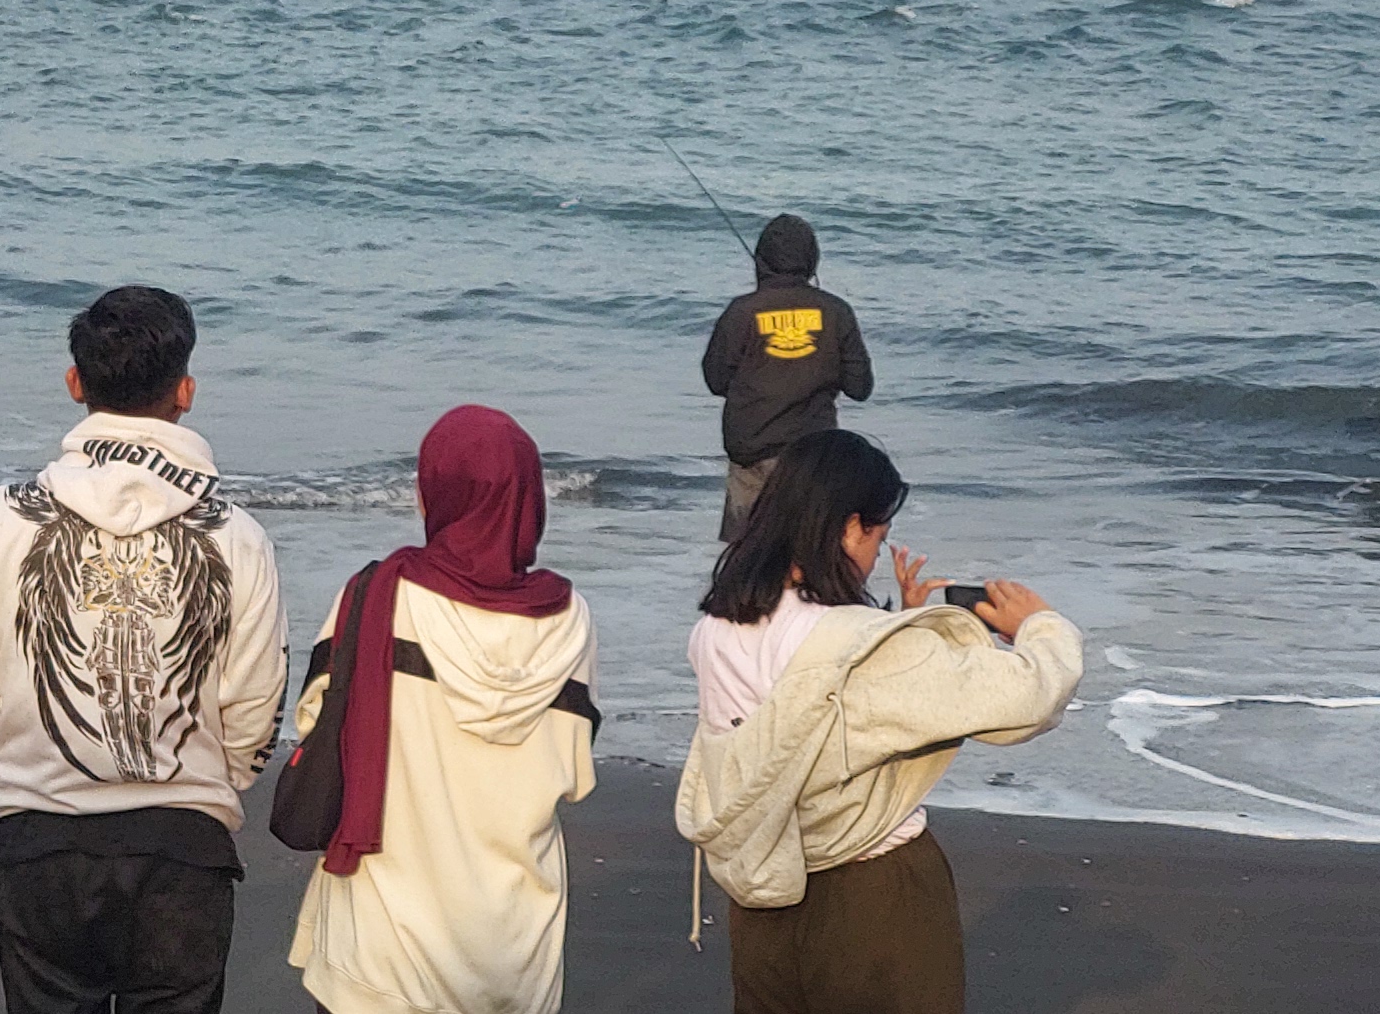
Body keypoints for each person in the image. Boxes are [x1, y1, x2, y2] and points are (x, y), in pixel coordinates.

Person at [0, 284, 290, 1014]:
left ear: (75, 383)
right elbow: (254, 708)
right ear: (185, 391)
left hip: (38, 839)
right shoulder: (235, 534)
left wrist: (24, 768)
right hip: (183, 845)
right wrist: (196, 785)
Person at [673, 430, 1081, 1014]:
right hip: (872, 894)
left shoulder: (715, 630)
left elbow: (818, 718)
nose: (873, 553)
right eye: (876, 536)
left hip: (763, 888)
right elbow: (1024, 704)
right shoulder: (856, 647)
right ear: (846, 527)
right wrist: (1041, 626)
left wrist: (901, 624)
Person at [288, 405, 599, 1014]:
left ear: (436, 493)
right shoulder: (570, 619)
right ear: (530, 501)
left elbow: (316, 726)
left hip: (384, 940)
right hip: (516, 940)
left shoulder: (377, 596)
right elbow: (575, 773)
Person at [700, 214, 875, 541]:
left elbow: (716, 380)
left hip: (751, 450)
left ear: (760, 261)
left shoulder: (741, 312)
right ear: (812, 262)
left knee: (747, 556)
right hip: (813, 456)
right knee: (806, 552)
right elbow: (860, 386)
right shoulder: (836, 312)